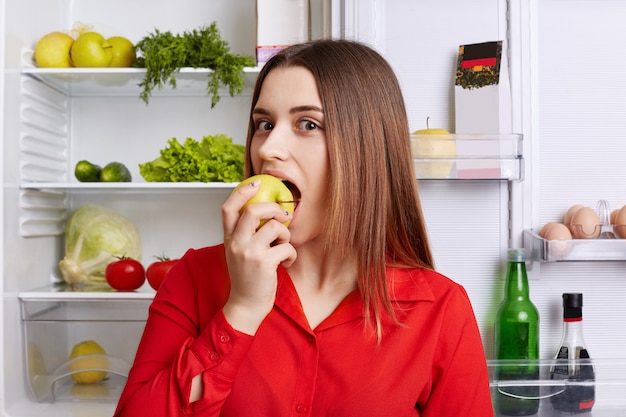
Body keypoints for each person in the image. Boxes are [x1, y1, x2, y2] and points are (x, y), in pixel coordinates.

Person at [114, 39, 494, 417]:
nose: (267, 148)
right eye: (264, 124)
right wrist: (242, 310)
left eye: (308, 124)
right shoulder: (195, 278)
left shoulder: (441, 310)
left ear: (366, 151)